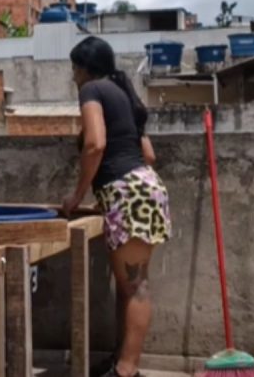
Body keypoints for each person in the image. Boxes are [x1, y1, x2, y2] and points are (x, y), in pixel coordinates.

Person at [62, 36, 171, 377]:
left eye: (74, 69)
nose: (73, 76)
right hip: (142, 189)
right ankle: (121, 361)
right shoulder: (125, 95)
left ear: (83, 68)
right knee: (128, 285)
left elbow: (95, 144)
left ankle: (126, 370)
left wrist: (78, 196)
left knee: (136, 286)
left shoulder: (92, 90)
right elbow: (148, 155)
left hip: (128, 194)